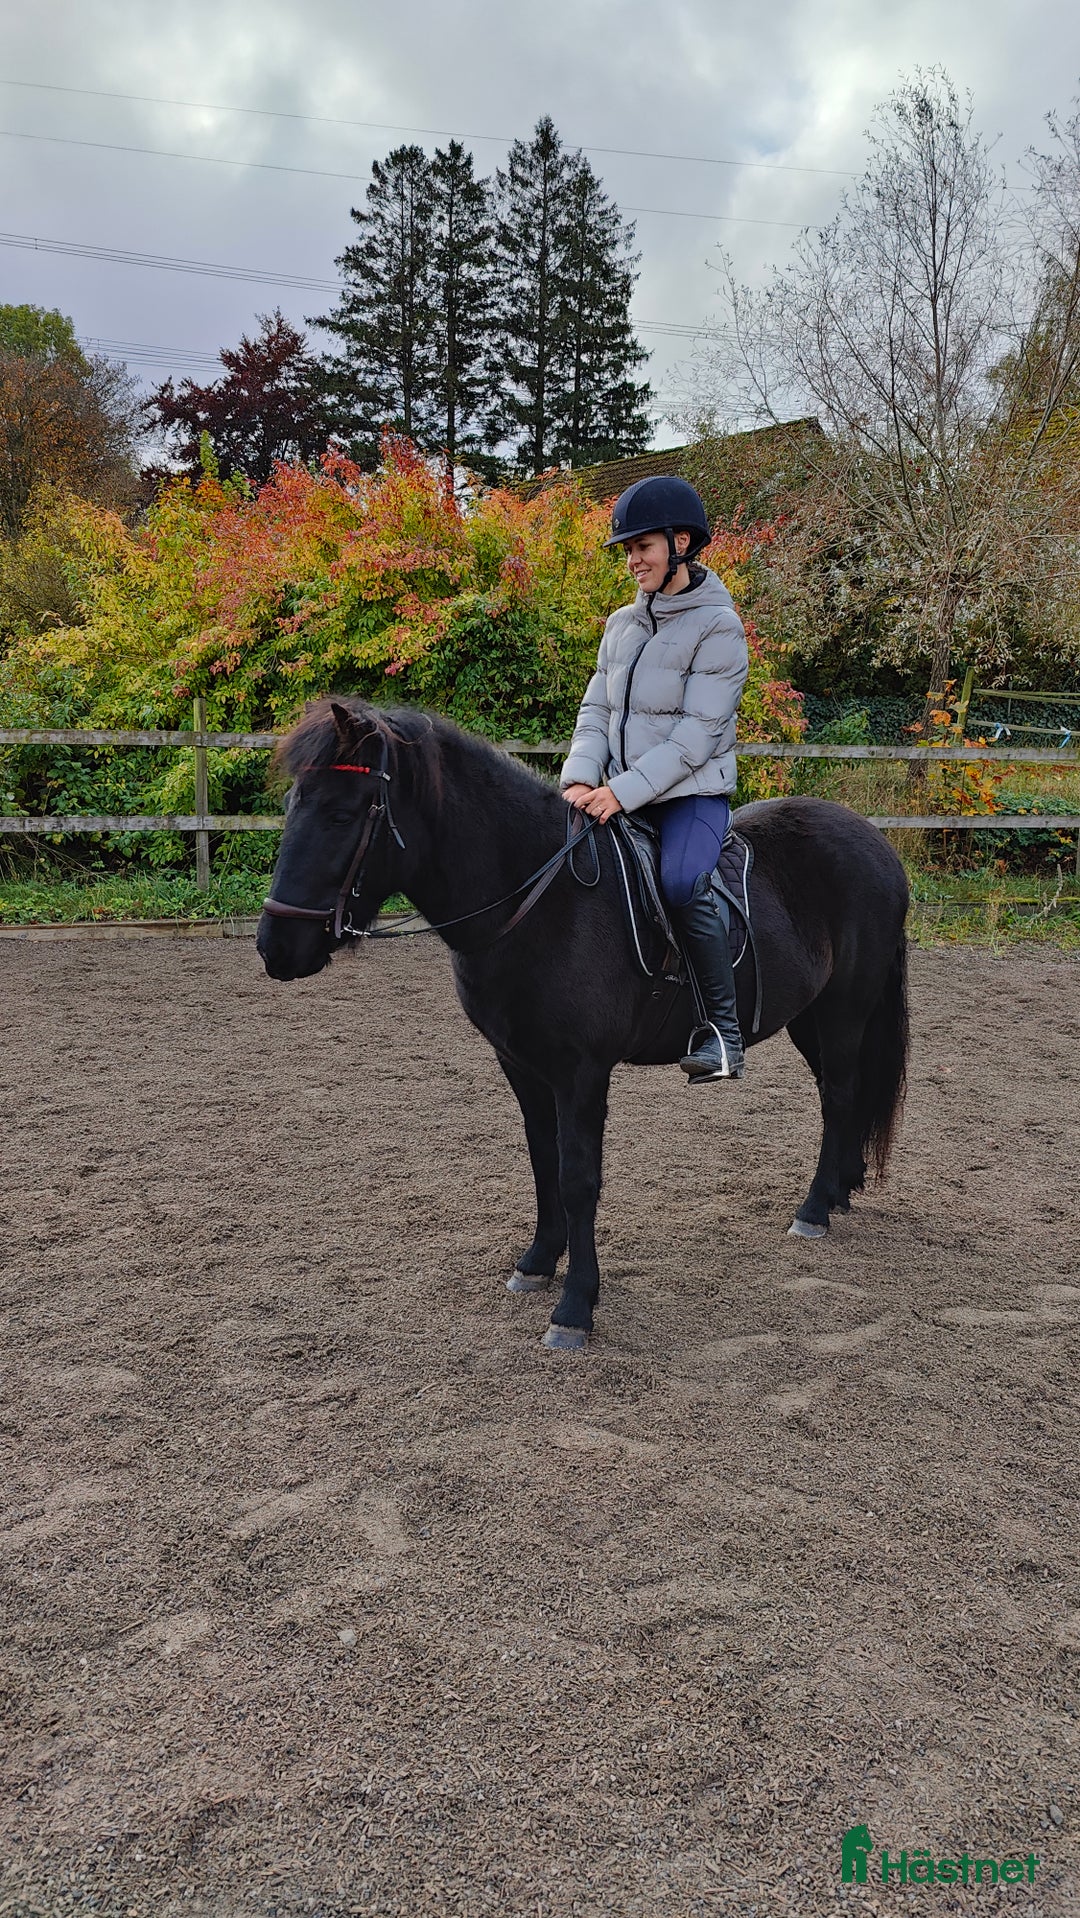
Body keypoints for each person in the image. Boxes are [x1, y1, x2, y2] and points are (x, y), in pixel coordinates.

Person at [560, 475, 749, 1081]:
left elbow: (696, 738)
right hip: (615, 788)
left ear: (682, 542)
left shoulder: (719, 628)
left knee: (680, 880)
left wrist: (621, 791)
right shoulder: (622, 625)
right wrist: (579, 779)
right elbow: (596, 712)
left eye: (643, 546)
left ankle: (722, 1033)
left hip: (689, 796)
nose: (633, 559)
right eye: (628, 549)